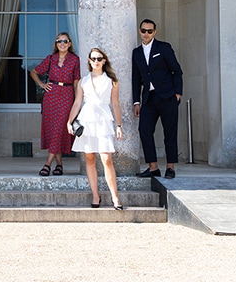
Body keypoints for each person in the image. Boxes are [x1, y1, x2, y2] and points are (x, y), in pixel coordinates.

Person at [66, 48, 124, 210]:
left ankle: (115, 197)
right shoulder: (83, 81)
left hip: (104, 120)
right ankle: (95, 195)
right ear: (89, 61)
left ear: (104, 60)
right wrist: (69, 122)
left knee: (106, 159)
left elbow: (115, 104)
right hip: (87, 120)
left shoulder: (112, 80)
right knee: (89, 159)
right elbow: (77, 103)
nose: (96, 61)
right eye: (93, 59)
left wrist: (119, 125)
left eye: (99, 58)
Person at [132, 18, 183, 179]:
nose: (146, 34)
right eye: (143, 30)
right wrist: (136, 101)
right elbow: (135, 79)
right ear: (140, 31)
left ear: (154, 32)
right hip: (149, 98)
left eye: (149, 31)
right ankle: (153, 167)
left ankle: (170, 167)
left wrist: (177, 93)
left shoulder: (164, 48)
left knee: (170, 132)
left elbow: (177, 71)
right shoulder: (137, 52)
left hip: (168, 96)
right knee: (144, 130)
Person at [30, 32, 80, 177]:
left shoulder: (75, 60)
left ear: (70, 44)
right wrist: (42, 84)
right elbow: (34, 72)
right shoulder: (51, 59)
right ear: (56, 43)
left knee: (59, 128)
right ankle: (59, 165)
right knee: (53, 131)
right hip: (51, 97)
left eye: (65, 41)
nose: (62, 44)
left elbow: (76, 82)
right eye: (59, 41)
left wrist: (77, 102)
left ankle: (47, 164)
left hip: (67, 95)